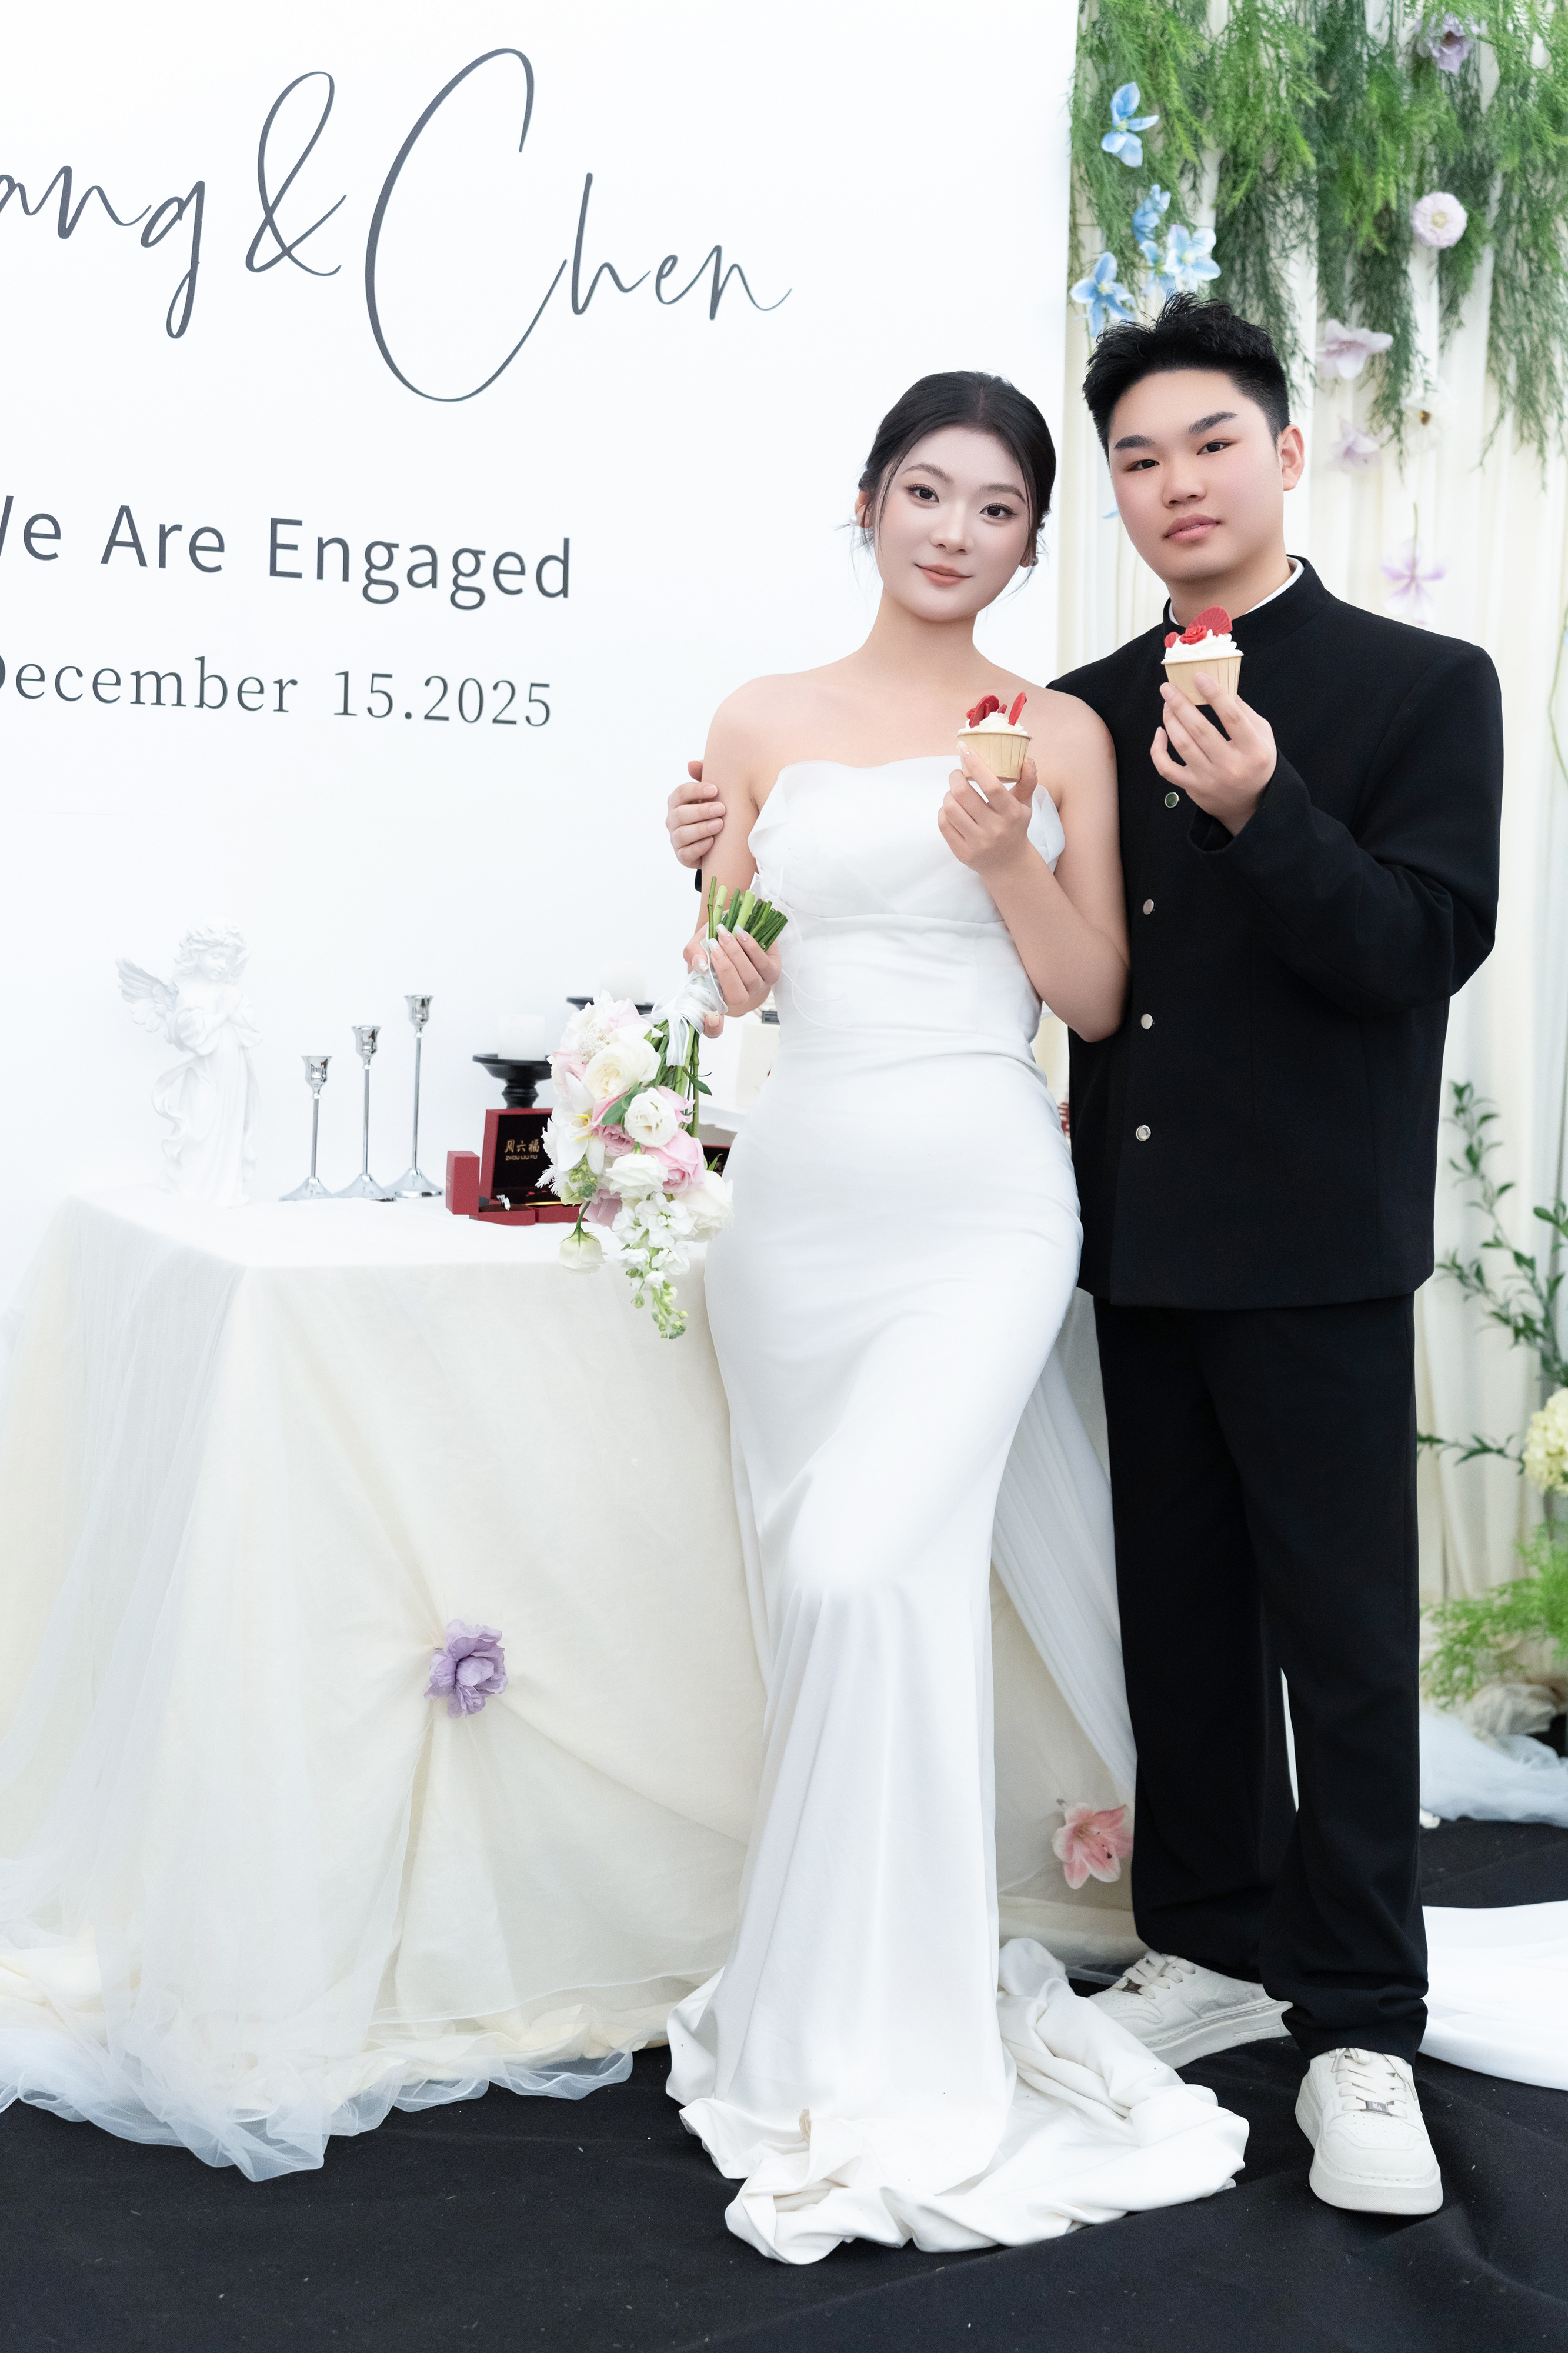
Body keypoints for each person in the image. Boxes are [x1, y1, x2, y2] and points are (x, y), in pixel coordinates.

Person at [666, 301, 1505, 2222]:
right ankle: (1206, 1941)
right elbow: (961, 923)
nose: (1174, 483)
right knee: (1179, 1619)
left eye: (1206, 444)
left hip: (1310, 1232)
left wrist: (1263, 810)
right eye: (1136, 457)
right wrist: (720, 849)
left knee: (1340, 1642)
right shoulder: (1084, 699)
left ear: (1283, 454)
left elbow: (1414, 945)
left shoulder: (1418, 684)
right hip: (1129, 1226)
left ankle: (1359, 2024)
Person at [663, 371, 1249, 2263]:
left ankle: (895, 2037)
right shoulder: (758, 721)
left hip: (983, 1203)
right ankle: (818, 2012)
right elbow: (734, 967)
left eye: (996, 509)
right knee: (836, 1595)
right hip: (797, 1213)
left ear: (1027, 542)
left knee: (865, 1568)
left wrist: (1002, 858)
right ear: (867, 503)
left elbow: (1091, 1000)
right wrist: (712, 927)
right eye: (925, 492)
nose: (953, 532)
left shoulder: (1061, 730)